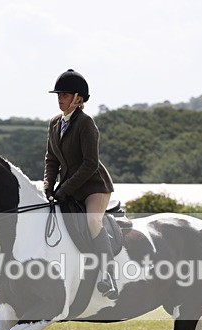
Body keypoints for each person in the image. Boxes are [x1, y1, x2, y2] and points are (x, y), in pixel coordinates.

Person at [44, 68, 117, 299]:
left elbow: (90, 164)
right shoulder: (55, 123)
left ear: (78, 98)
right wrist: (48, 186)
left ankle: (109, 275)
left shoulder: (86, 124)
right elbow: (51, 159)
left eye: (64, 95)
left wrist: (65, 189)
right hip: (69, 188)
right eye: (58, 95)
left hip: (94, 186)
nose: (60, 99)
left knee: (92, 220)